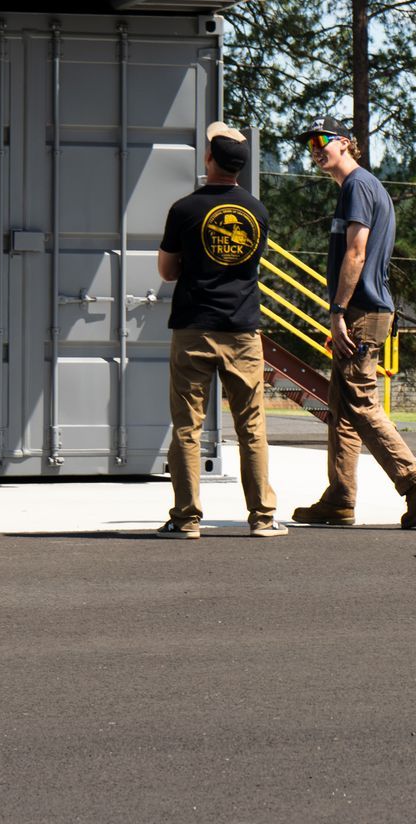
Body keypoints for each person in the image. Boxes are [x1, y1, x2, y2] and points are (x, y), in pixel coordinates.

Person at [290, 116, 416, 529]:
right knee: (341, 408)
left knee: (360, 402)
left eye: (323, 140)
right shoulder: (361, 187)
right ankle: (340, 498)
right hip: (364, 310)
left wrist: (338, 312)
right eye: (310, 144)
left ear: (345, 142)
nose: (316, 149)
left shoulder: (357, 186)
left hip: (361, 311)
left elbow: (356, 253)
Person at [154, 122, 283, 539]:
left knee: (187, 427)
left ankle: (186, 519)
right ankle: (262, 518)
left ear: (209, 159)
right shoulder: (258, 212)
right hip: (242, 330)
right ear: (240, 166)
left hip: (193, 327)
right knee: (251, 426)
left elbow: (167, 271)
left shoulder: (184, 209)